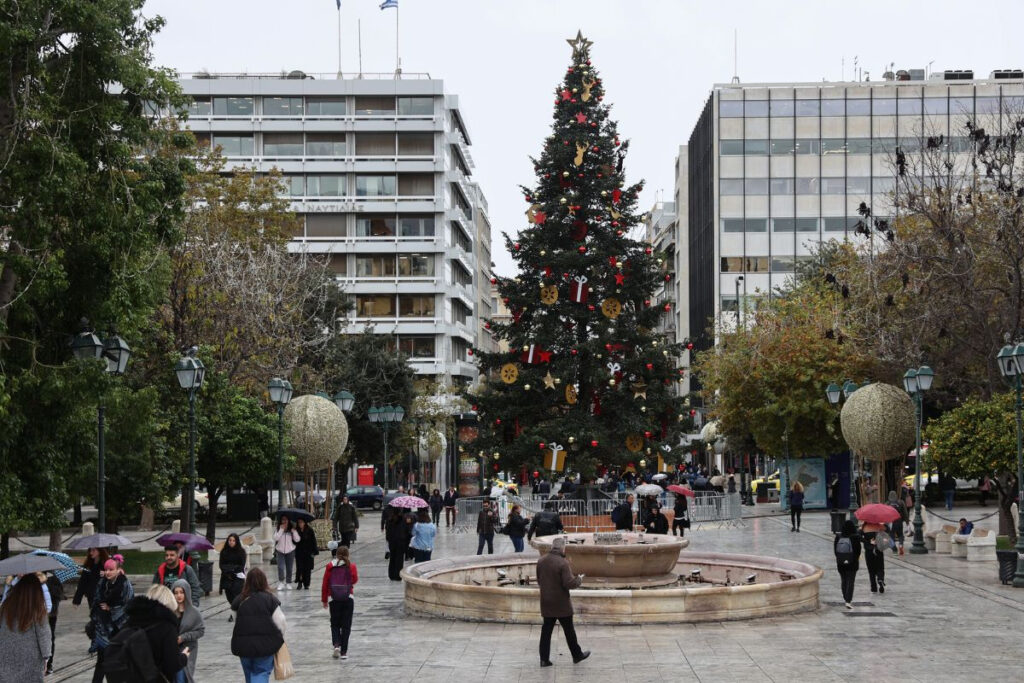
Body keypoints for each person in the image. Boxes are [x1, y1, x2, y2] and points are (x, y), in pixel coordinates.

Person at [536, 536, 589, 668]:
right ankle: (577, 655)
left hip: (546, 601)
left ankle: (544, 659)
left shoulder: (541, 561)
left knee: (546, 632)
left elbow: (539, 580)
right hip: (561, 603)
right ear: (562, 548)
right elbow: (569, 583)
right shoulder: (562, 563)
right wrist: (579, 580)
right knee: (569, 630)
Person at [231, 568, 285, 683]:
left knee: (249, 675)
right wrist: (278, 638)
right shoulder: (270, 600)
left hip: (243, 646)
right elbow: (281, 621)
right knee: (261, 672)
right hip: (265, 645)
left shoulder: (239, 600)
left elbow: (236, 621)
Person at [0, 573, 51, 683]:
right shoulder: (37, 609)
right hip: (31, 659)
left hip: (6, 656)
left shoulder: (6, 605)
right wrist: (46, 657)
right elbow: (44, 635)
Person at [89, 559, 134, 682]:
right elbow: (96, 600)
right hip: (102, 626)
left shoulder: (125, 584)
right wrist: (98, 611)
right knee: (101, 660)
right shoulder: (102, 582)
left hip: (119, 629)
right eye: (106, 569)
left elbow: (129, 605)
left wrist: (112, 608)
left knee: (116, 661)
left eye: (111, 569)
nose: (107, 572)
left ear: (118, 570)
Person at [321, 545, 358, 660]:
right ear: (348, 555)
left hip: (334, 598)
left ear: (336, 554)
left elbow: (325, 584)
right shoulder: (351, 566)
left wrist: (324, 600)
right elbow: (355, 580)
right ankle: (344, 652)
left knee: (335, 624)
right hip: (348, 598)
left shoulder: (330, 566)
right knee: (346, 626)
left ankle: (336, 644)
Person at [172, 579, 205, 683]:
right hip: (172, 649)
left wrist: (183, 637)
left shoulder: (194, 612)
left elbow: (200, 631)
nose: (179, 596)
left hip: (188, 649)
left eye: (181, 592)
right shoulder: (170, 610)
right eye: (176, 593)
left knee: (183, 675)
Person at [834, 519, 862, 609]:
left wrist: (841, 558)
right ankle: (848, 600)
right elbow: (858, 551)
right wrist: (854, 559)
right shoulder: (856, 537)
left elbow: (835, 551)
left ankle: (845, 597)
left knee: (844, 580)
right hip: (852, 562)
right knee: (851, 581)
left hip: (841, 562)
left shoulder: (838, 537)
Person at [219, 533, 248, 620]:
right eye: (230, 540)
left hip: (238, 577)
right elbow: (221, 565)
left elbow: (241, 565)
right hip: (226, 577)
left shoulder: (241, 552)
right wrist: (229, 570)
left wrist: (232, 569)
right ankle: (236, 610)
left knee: (236, 595)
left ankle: (234, 613)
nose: (231, 542)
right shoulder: (224, 552)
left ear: (236, 541)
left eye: (233, 540)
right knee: (229, 596)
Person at [272, 514, 300, 590]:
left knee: (289, 568)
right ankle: (281, 582)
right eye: (283, 520)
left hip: (290, 551)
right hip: (280, 551)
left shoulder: (292, 529)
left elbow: (297, 539)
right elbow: (275, 538)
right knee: (280, 567)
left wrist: (294, 532)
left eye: (286, 519)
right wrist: (281, 530)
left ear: (288, 520)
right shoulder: (278, 528)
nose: (284, 521)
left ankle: (288, 582)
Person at [43, 571, 63, 674]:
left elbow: (59, 593)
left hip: (51, 614)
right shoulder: (32, 577)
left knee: (50, 637)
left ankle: (49, 663)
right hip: (37, 614)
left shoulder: (53, 578)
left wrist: (47, 584)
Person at [861, 521, 887, 594]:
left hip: (869, 550)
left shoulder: (865, 527)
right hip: (878, 549)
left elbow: (858, 536)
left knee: (871, 569)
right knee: (880, 567)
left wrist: (867, 542)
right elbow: (887, 531)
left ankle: (873, 587)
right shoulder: (879, 526)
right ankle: (880, 579)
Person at [384, 507, 409, 581]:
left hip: (392, 542)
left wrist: (388, 539)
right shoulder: (403, 520)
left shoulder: (389, 520)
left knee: (392, 558)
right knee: (399, 559)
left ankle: (391, 574)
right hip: (401, 541)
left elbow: (387, 531)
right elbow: (406, 531)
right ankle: (398, 575)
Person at [293, 517, 318, 590]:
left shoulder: (310, 530)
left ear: (304, 522)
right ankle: (300, 582)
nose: (300, 524)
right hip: (299, 552)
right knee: (300, 568)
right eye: (299, 522)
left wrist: (315, 551)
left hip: (308, 552)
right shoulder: (296, 530)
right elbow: (294, 541)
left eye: (301, 522)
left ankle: (306, 584)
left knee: (307, 569)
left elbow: (314, 541)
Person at [887, 490, 908, 555]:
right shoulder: (900, 502)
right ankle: (901, 544)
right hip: (899, 520)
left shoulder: (887, 503)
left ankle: (894, 549)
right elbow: (905, 512)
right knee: (900, 534)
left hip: (891, 522)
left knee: (891, 535)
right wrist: (906, 520)